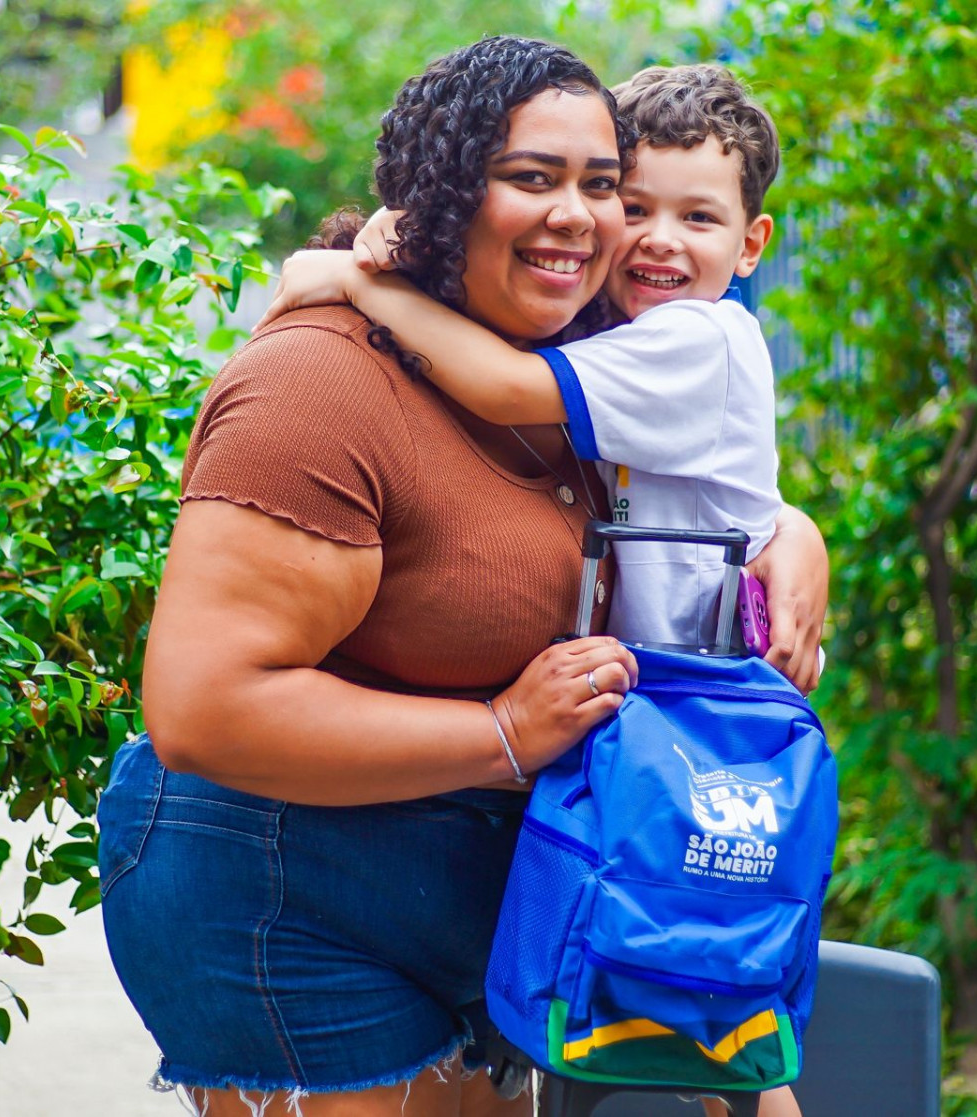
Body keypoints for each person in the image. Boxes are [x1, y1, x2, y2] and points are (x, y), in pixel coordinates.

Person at [96, 37, 828, 1117]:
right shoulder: (321, 382)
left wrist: (786, 530)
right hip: (287, 885)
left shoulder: (580, 349)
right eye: (533, 178)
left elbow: (687, 490)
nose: (582, 217)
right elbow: (209, 707)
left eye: (600, 186)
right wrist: (502, 734)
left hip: (474, 880)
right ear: (445, 193)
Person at [259, 64, 786, 656]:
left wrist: (366, 286)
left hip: (700, 677)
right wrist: (418, 227)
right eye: (633, 209)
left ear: (749, 245)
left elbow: (506, 386)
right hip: (657, 669)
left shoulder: (697, 337)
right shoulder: (614, 324)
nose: (660, 238)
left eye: (698, 217)